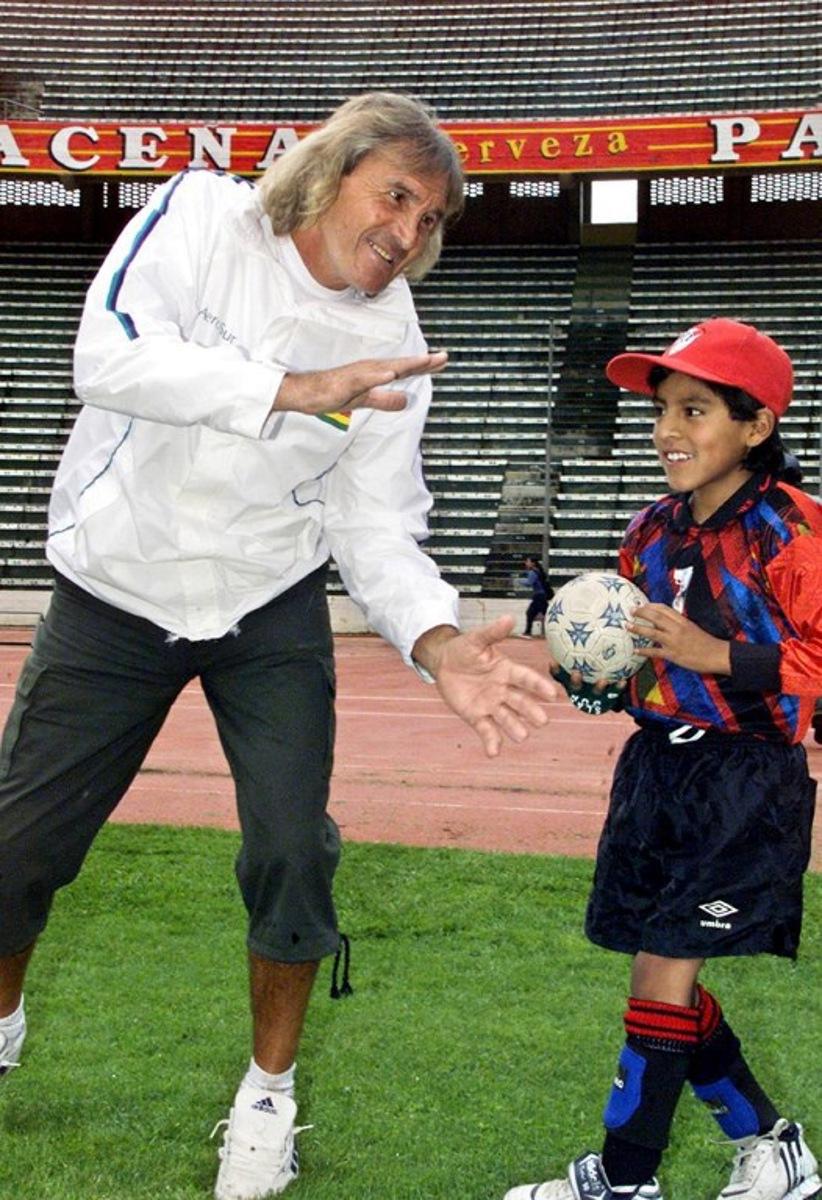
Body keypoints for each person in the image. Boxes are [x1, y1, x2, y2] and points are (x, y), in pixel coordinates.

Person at [0, 92, 557, 1200]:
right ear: (333, 169)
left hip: (267, 602)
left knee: (295, 853)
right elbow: (105, 356)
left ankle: (268, 1101)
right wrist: (286, 391)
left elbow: (375, 520)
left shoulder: (396, 340)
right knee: (16, 850)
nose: (408, 232)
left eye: (431, 219)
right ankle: (2, 1020)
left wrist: (437, 638)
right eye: (395, 196)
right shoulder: (203, 216)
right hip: (115, 589)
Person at [504, 318, 821, 1200]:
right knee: (658, 974)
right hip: (656, 772)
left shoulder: (793, 529)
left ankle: (623, 1179)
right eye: (661, 412)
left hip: (745, 778)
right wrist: (600, 681)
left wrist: (715, 654)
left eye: (695, 410)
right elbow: (647, 661)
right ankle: (773, 1148)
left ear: (756, 426)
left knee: (664, 971)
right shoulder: (649, 530)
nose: (668, 431)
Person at [520, 555, 554, 637]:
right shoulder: (538, 571)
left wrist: (519, 581)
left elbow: (529, 583)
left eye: (527, 561)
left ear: (533, 563)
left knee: (530, 613)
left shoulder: (533, 572)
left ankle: (528, 632)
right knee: (546, 614)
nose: (526, 563)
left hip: (538, 596)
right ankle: (549, 632)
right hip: (543, 596)